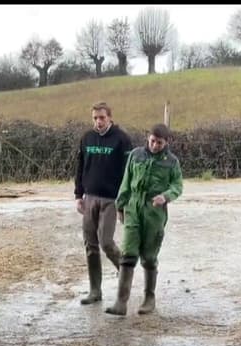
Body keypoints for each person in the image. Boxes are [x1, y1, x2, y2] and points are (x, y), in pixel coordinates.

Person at [106, 123, 183, 316]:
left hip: (154, 213)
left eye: (159, 142)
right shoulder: (135, 155)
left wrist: (165, 196)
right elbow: (126, 181)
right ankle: (121, 302)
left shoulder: (171, 162)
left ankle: (149, 299)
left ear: (166, 142)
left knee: (149, 257)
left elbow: (177, 185)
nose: (155, 145)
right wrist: (120, 206)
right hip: (133, 207)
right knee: (128, 254)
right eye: (152, 141)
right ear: (147, 138)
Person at [74, 101, 134, 305]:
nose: (98, 122)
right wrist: (78, 195)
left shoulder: (121, 139)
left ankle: (125, 272)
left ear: (110, 117)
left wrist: (124, 200)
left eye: (102, 117)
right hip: (89, 198)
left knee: (106, 242)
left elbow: (129, 172)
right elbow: (80, 167)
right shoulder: (87, 138)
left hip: (111, 199)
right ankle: (95, 291)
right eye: (95, 118)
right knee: (90, 246)